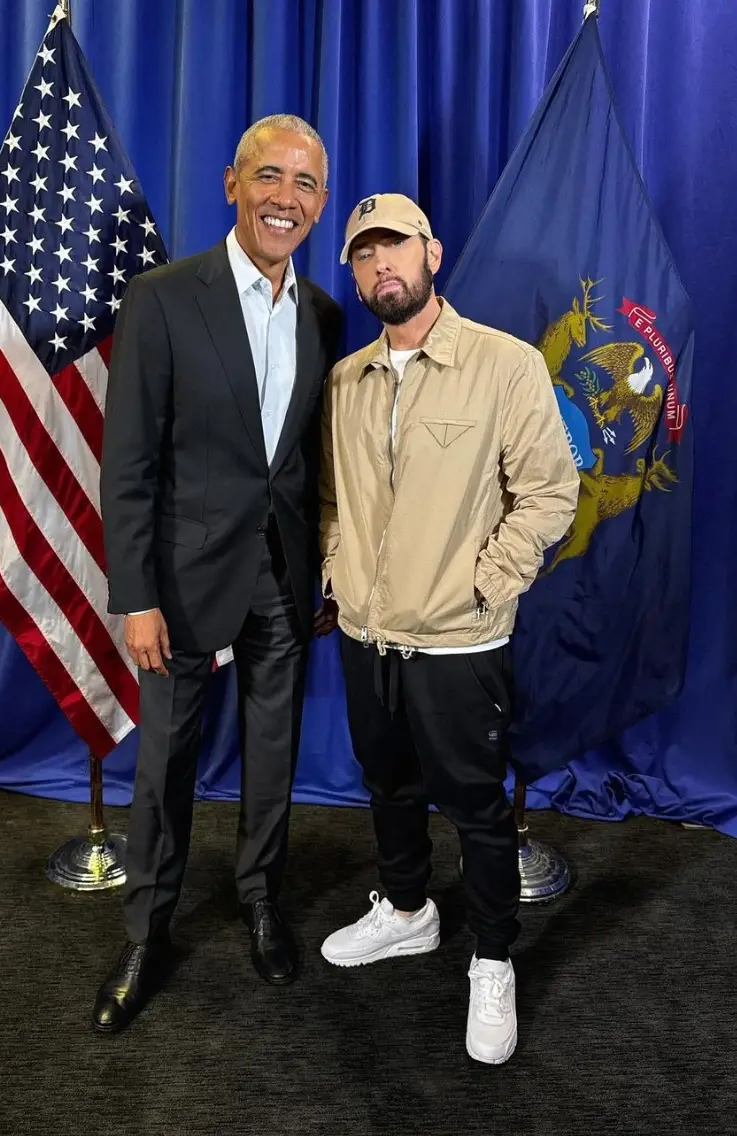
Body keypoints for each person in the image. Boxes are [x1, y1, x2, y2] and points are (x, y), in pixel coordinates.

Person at [95, 115, 343, 1033]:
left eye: (305, 184)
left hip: (282, 579)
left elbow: (308, 459)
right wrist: (136, 596)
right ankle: (146, 932)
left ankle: (261, 899)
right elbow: (129, 466)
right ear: (231, 184)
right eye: (269, 177)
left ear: (320, 205)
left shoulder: (322, 312)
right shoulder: (161, 298)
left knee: (270, 758)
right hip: (181, 583)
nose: (286, 197)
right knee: (165, 766)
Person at [318, 193, 579, 1065]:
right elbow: (330, 502)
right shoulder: (345, 381)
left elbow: (548, 493)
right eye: (363, 253)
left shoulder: (502, 366)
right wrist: (335, 570)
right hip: (366, 633)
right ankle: (404, 910)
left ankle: (494, 956)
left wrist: (485, 585)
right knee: (385, 782)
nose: (380, 263)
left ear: (432, 251)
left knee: (473, 805)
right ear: (353, 272)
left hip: (460, 642)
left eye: (394, 244)